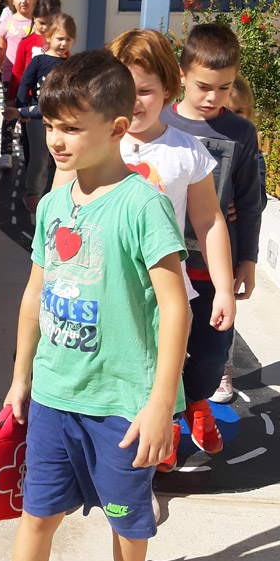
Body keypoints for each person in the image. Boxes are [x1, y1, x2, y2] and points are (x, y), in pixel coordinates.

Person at [2, 50, 190, 561]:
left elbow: (175, 307)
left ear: (116, 128)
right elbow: (34, 295)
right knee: (37, 513)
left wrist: (160, 404)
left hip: (122, 404)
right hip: (55, 395)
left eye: (72, 128)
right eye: (50, 125)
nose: (56, 140)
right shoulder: (53, 206)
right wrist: (20, 378)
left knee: (125, 517)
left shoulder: (143, 205)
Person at [108, 29, 237, 469]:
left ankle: (165, 433)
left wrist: (223, 288)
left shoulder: (187, 152)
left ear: (168, 87)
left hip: (166, 294)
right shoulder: (100, 142)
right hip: (107, 288)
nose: (132, 102)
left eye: (144, 91)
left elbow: (209, 220)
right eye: (122, 89)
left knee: (175, 369)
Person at [159, 23, 263, 455]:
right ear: (182, 74)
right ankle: (166, 422)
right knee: (160, 348)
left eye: (224, 87)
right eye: (203, 86)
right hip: (162, 264)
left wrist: (248, 260)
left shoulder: (240, 133)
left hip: (212, 266)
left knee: (211, 352)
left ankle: (197, 400)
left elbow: (250, 201)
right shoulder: (158, 121)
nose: (213, 97)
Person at [210, 73, 267, 405]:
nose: (233, 119)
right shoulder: (204, 144)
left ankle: (223, 368)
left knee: (224, 309)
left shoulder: (251, 152)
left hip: (229, 246)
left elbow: (257, 200)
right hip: (196, 244)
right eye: (227, 111)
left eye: (240, 112)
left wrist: (249, 259)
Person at [6, 12, 76, 212]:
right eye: (59, 38)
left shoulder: (70, 65)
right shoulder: (39, 61)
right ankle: (34, 194)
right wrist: (22, 110)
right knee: (39, 159)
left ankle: (56, 194)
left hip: (62, 119)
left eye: (68, 39)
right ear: (49, 37)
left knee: (61, 159)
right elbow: (25, 84)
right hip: (38, 116)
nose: (63, 43)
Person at [0, 0, 37, 170]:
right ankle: (6, 152)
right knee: (10, 113)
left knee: (29, 115)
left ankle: (28, 152)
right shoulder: (7, 22)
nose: (23, 1)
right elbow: (1, 48)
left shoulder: (37, 23)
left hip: (33, 78)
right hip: (11, 77)